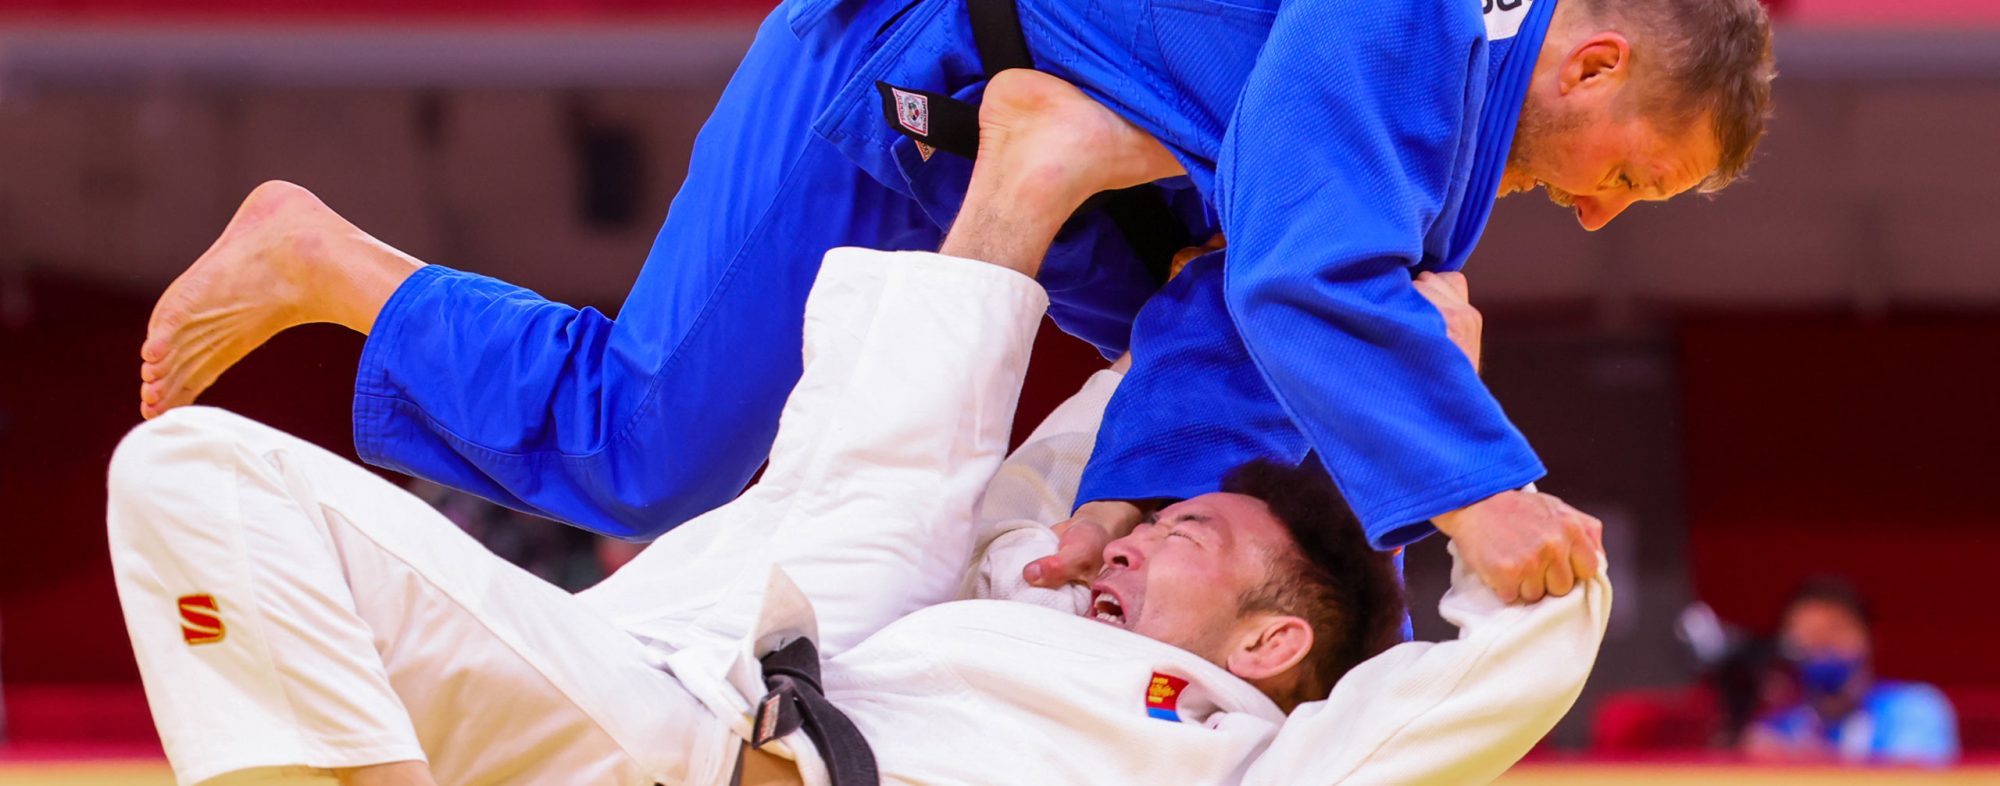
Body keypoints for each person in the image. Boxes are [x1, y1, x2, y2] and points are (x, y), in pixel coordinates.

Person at [110, 79, 1609, 786]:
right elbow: (1120, 434)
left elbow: (1492, 676)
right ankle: (1016, 187)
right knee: (194, 471)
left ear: (1275, 644)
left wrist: (1460, 455)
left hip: (755, 724)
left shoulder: (1260, 760)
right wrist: (1384, 351)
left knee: (806, 488)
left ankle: (1020, 188)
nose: (1147, 530)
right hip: (668, 701)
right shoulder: (1045, 565)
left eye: (1190, 535)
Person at [134, 0, 1772, 604]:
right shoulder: (1416, 25)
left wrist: (1125, 510)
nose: (1611, 206)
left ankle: (1063, 217)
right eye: (1645, 167)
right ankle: (333, 265)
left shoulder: (1441, 120)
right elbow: (1295, 273)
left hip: (1104, 145)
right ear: (1598, 55)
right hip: (900, 73)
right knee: (648, 455)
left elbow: (1263, 294)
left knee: (1372, 297)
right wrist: (1477, 490)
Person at [1743, 577, 1959, 766]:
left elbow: (1911, 776)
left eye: (1834, 630)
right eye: (1806, 634)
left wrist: (1794, 760)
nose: (1821, 644)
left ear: (1869, 639)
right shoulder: (1777, 728)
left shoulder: (1914, 709)